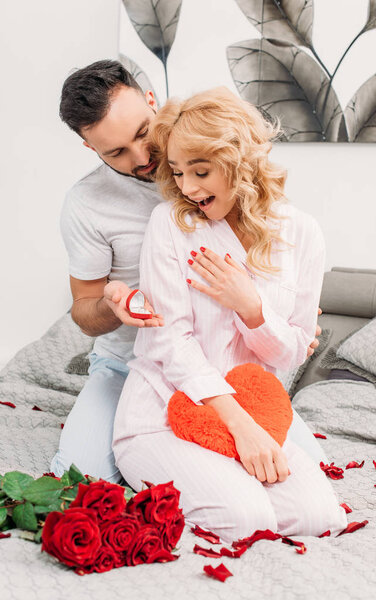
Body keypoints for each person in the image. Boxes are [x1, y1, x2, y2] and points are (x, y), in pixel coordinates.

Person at [51, 60, 325, 483]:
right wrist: (113, 308)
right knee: (81, 476)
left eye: (143, 133)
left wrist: (281, 319)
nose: (142, 158)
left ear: (151, 101)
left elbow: (274, 249)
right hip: (131, 365)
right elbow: (83, 309)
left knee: (304, 471)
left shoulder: (211, 155)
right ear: (91, 148)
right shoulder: (85, 204)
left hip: (222, 364)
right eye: (115, 152)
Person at [110, 88, 347, 542]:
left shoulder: (301, 233)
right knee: (244, 519)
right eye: (177, 172)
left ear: (242, 163)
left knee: (319, 516)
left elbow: (293, 351)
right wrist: (243, 430)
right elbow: (169, 340)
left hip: (256, 411)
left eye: (201, 171)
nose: (187, 188)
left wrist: (251, 308)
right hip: (162, 413)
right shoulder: (171, 224)